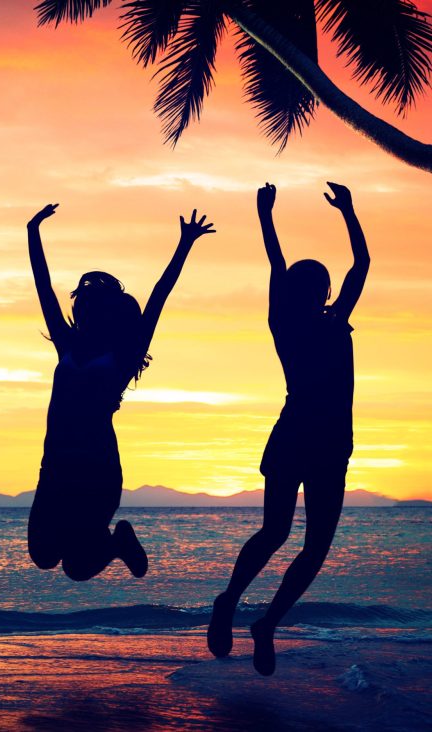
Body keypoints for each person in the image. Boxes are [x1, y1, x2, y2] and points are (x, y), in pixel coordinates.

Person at [207, 182, 369, 676]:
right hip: (297, 435)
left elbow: (360, 267)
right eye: (312, 282)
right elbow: (278, 267)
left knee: (316, 543)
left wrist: (349, 210)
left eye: (319, 283)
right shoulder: (286, 323)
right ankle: (229, 601)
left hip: (331, 444)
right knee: (276, 531)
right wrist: (266, 217)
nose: (319, 288)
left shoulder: (335, 318)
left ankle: (267, 623)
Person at [26, 203, 214, 583]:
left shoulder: (123, 357)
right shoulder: (67, 345)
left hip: (97, 468)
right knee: (43, 555)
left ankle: (118, 542)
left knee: (77, 568)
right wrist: (33, 231)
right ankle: (114, 544)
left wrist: (185, 244)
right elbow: (43, 289)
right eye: (84, 308)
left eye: (93, 309)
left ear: (109, 316)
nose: (84, 314)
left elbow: (159, 297)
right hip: (56, 465)